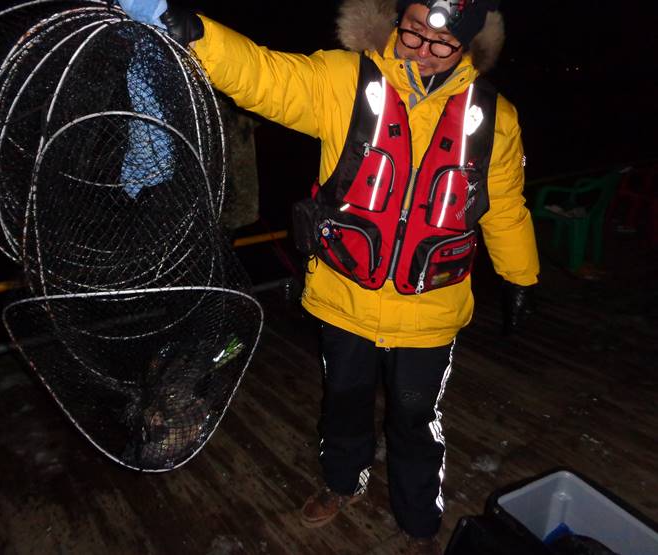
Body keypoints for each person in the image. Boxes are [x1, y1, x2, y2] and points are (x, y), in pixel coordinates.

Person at [118, 0, 539, 552]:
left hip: (430, 310)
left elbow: (504, 206)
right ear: (397, 22)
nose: (423, 51)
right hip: (344, 295)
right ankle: (342, 483)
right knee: (343, 401)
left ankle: (418, 514)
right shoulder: (344, 79)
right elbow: (263, 75)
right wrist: (199, 34)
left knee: (416, 416)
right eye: (413, 33)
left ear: (468, 47)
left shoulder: (496, 117)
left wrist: (521, 277)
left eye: (442, 43)